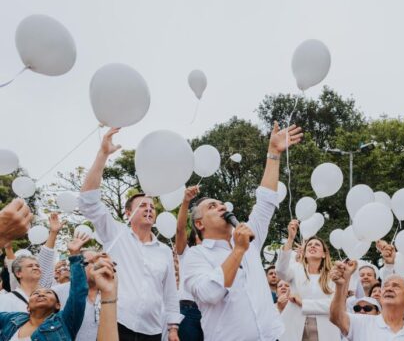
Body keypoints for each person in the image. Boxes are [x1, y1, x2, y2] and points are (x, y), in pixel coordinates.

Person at [183, 122, 303, 341]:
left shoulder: (249, 237)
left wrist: (273, 153)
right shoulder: (195, 256)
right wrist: (238, 251)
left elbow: (266, 202)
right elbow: (210, 293)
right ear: (199, 224)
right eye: (212, 206)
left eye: (222, 204)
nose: (222, 207)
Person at [79, 127, 182, 341]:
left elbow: (170, 292)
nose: (149, 209)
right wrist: (103, 154)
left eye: (153, 207)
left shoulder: (164, 251)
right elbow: (88, 201)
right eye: (142, 205)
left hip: (152, 330)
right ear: (128, 212)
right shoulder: (115, 232)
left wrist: (173, 328)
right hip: (115, 322)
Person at [329, 260, 404, 340]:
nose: (388, 289)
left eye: (396, 286)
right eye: (385, 286)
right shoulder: (361, 322)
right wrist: (340, 285)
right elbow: (336, 316)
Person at [0, 252, 88, 340]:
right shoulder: (13, 319)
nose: (41, 294)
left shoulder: (65, 322)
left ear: (58, 305)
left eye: (48, 293)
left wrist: (75, 256)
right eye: (35, 294)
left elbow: (78, 292)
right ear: (28, 307)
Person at [276, 220, 340, 341]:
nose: (312, 246)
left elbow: (333, 306)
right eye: (309, 245)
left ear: (324, 254)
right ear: (304, 254)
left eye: (317, 245)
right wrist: (290, 238)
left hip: (324, 330)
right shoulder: (295, 270)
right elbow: (280, 270)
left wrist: (303, 303)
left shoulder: (333, 276)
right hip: (293, 327)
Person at [53, 233, 99, 341]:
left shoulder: (111, 293)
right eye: (90, 262)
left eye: (98, 261)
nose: (96, 266)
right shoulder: (57, 292)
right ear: (78, 265)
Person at [174, 185, 204, 341]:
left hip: (211, 311)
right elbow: (180, 229)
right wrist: (186, 202)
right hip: (188, 309)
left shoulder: (219, 255)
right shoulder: (187, 253)